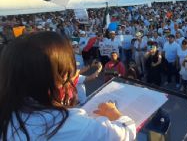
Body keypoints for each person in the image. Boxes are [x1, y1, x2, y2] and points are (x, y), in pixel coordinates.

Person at [0, 31, 136, 140]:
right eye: (67, 72)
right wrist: (113, 113)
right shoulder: (70, 125)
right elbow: (125, 131)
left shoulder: (9, 114)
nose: (71, 78)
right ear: (59, 78)